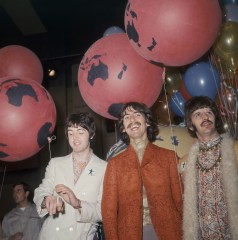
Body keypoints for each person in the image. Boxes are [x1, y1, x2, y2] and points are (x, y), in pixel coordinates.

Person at [102, 102, 183, 240]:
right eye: (127, 117)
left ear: (147, 122)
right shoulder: (114, 164)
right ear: (123, 129)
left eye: (137, 115)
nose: (132, 120)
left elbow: (180, 201)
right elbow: (108, 211)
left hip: (169, 232)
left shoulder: (169, 157)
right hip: (129, 233)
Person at [34, 112, 107, 240]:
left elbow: (102, 212)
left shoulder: (104, 168)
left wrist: (77, 203)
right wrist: (46, 200)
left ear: (92, 134)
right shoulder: (56, 163)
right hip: (51, 235)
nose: (75, 138)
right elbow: (41, 190)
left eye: (80, 132)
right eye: (70, 132)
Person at [181, 96, 238, 239]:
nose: (205, 116)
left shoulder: (234, 149)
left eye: (209, 112)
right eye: (197, 114)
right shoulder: (186, 161)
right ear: (190, 124)